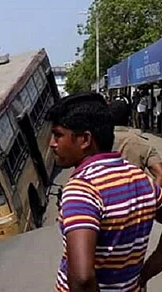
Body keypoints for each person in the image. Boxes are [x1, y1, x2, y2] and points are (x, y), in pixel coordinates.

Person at [47, 92, 162, 292]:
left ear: (84, 140)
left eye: (58, 135)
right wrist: (143, 275)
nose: (52, 143)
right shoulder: (144, 181)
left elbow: (82, 278)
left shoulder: (82, 189)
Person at [109, 100, 162, 185]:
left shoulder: (97, 141)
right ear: (128, 117)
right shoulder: (141, 142)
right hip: (135, 192)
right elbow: (160, 174)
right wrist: (152, 195)